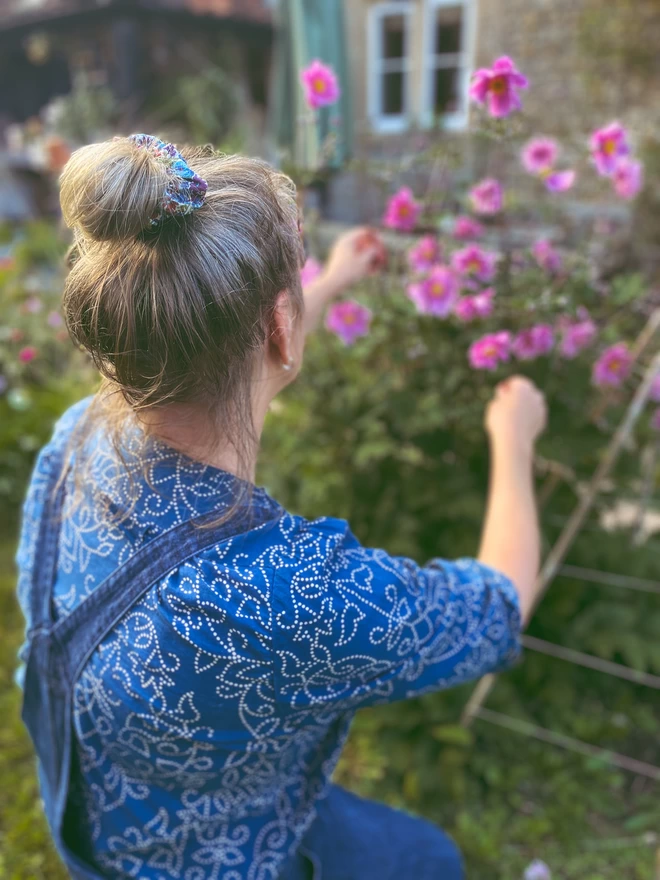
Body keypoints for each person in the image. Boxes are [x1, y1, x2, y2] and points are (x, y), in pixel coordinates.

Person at [16, 135, 546, 880]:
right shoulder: (284, 597)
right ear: (278, 325)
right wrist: (512, 437)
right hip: (212, 852)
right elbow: (495, 608)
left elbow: (235, 339)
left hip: (97, 802)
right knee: (428, 859)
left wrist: (324, 283)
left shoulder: (75, 439)